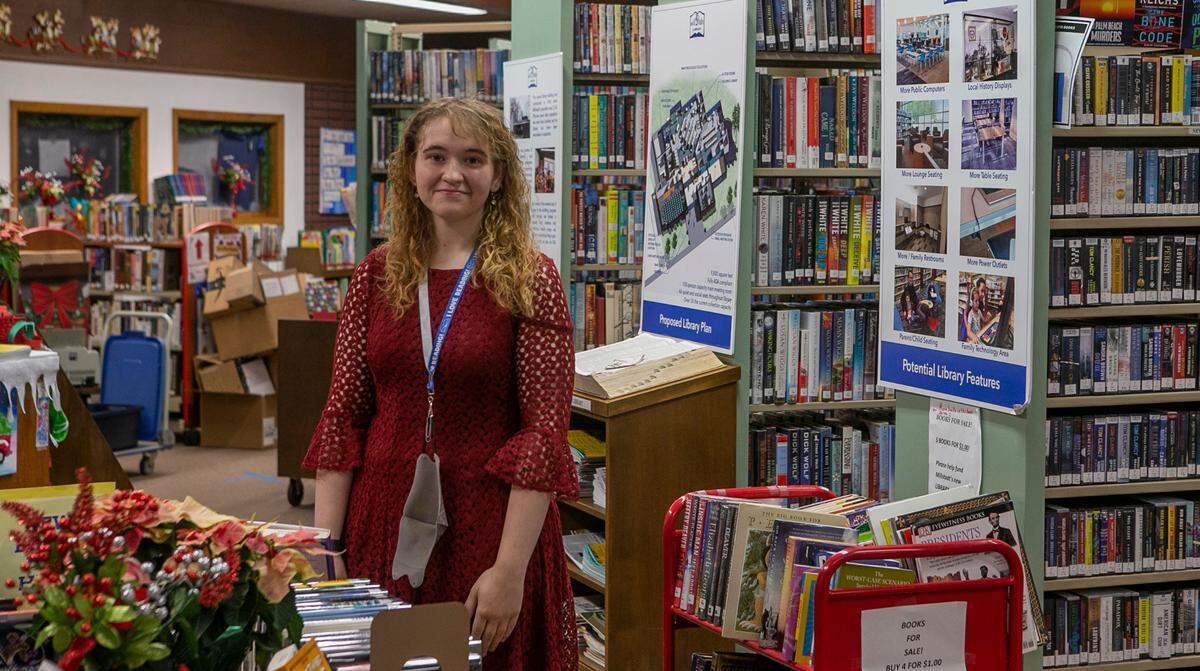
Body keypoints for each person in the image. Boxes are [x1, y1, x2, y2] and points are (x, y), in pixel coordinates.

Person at [303, 97, 578, 669]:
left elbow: (542, 438)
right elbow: (344, 417)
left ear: (498, 175)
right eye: (436, 156)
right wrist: (326, 551)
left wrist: (509, 572)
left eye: (473, 159)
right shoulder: (374, 275)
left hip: (489, 534)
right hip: (383, 528)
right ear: (410, 168)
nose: (453, 173)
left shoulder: (531, 279)